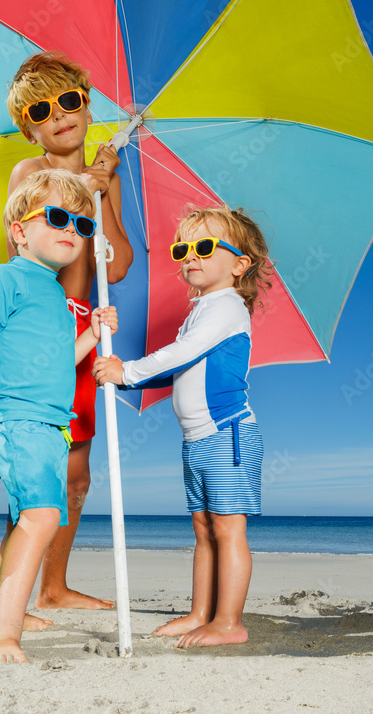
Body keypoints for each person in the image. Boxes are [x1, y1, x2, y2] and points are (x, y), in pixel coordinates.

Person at [0, 169, 117, 664]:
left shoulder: (57, 295)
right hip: (16, 418)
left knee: (24, 518)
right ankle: (4, 632)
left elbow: (59, 363)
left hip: (52, 425)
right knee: (43, 516)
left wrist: (93, 336)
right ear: (19, 230)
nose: (71, 230)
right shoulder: (4, 278)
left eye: (82, 224)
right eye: (57, 217)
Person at [92, 205, 271, 648]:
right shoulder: (202, 309)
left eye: (205, 247)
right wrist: (120, 379)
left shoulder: (227, 307)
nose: (190, 256)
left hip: (227, 434)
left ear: (239, 264)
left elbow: (183, 353)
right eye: (183, 249)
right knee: (203, 529)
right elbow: (176, 368)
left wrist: (126, 371)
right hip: (196, 440)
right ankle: (199, 613)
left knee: (228, 529)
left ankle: (229, 622)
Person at [0, 51, 132, 614]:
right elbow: (21, 251)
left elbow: (119, 263)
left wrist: (101, 195)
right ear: (30, 130)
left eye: (69, 101)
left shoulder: (106, 178)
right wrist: (77, 183)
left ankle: (54, 585)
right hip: (44, 325)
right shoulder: (29, 175)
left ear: (86, 104)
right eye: (41, 110)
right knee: (35, 468)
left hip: (86, 326)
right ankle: (14, 597)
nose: (59, 115)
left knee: (76, 471)